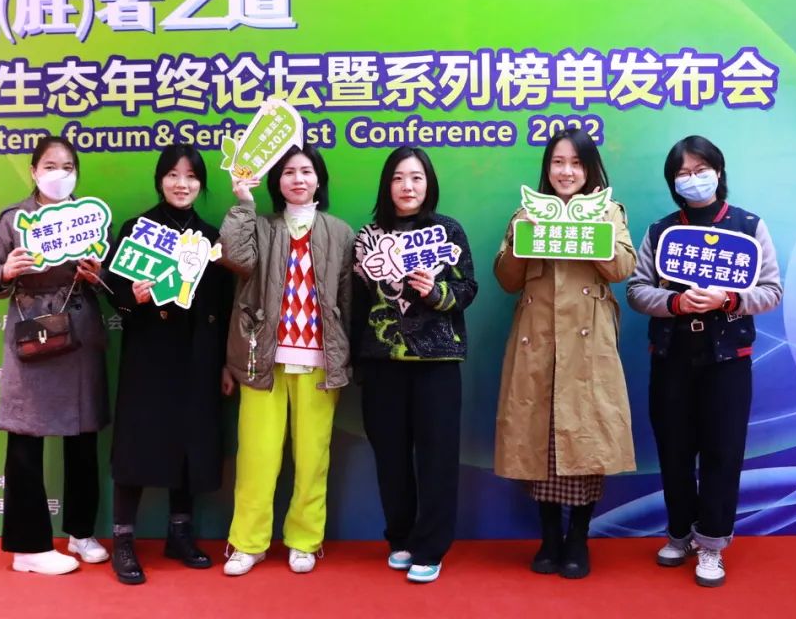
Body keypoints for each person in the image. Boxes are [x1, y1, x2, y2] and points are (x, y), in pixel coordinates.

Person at [626, 135, 782, 588]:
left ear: (718, 171)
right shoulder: (661, 231)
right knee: (674, 451)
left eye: (700, 170)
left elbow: (771, 291)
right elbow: (636, 290)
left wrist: (728, 298)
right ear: (672, 182)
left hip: (727, 360)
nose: (693, 179)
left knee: (722, 452)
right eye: (683, 173)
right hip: (671, 357)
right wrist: (675, 303)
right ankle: (679, 534)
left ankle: (711, 543)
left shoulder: (748, 226)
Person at [493, 128, 637, 579]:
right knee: (540, 441)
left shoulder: (609, 211)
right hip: (537, 342)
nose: (567, 171)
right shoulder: (527, 212)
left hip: (586, 345)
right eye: (558, 162)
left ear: (590, 169)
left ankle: (578, 537)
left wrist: (592, 234)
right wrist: (523, 240)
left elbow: (624, 268)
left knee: (585, 439)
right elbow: (506, 279)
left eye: (576, 163)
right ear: (547, 168)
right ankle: (549, 536)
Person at [219, 144, 355, 576]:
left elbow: (348, 302)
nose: (298, 179)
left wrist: (344, 360)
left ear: (319, 180)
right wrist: (243, 202)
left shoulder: (340, 232)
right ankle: (248, 543)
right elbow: (234, 257)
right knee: (256, 458)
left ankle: (305, 540)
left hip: (319, 364)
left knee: (313, 459)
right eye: (289, 172)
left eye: (307, 171)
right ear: (277, 182)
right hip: (262, 361)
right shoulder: (261, 226)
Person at [0, 136, 110, 575]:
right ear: (34, 171)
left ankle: (81, 532)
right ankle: (28, 547)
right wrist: (7, 272)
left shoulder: (91, 217)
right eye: (50, 166)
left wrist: (96, 275)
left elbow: (112, 278)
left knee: (83, 437)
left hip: (80, 331)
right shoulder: (13, 219)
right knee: (25, 437)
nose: (60, 174)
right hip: (31, 332)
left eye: (68, 167)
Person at [105, 145, 231, 585]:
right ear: (160, 180)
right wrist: (132, 297)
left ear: (201, 184)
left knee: (189, 442)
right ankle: (123, 540)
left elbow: (222, 305)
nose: (182, 184)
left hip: (198, 355)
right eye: (173, 175)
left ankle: (180, 532)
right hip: (149, 354)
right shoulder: (137, 229)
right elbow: (113, 292)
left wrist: (224, 364)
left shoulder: (211, 237)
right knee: (136, 442)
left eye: (192, 176)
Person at [352, 147, 478, 584]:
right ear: (387, 185)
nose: (408, 186)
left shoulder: (448, 231)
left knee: (437, 457)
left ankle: (431, 547)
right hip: (382, 361)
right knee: (390, 455)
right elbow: (355, 303)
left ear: (429, 184)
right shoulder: (368, 237)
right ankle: (401, 538)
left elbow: (468, 288)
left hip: (437, 361)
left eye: (417, 178)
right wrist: (356, 358)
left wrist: (436, 292)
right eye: (399, 178)